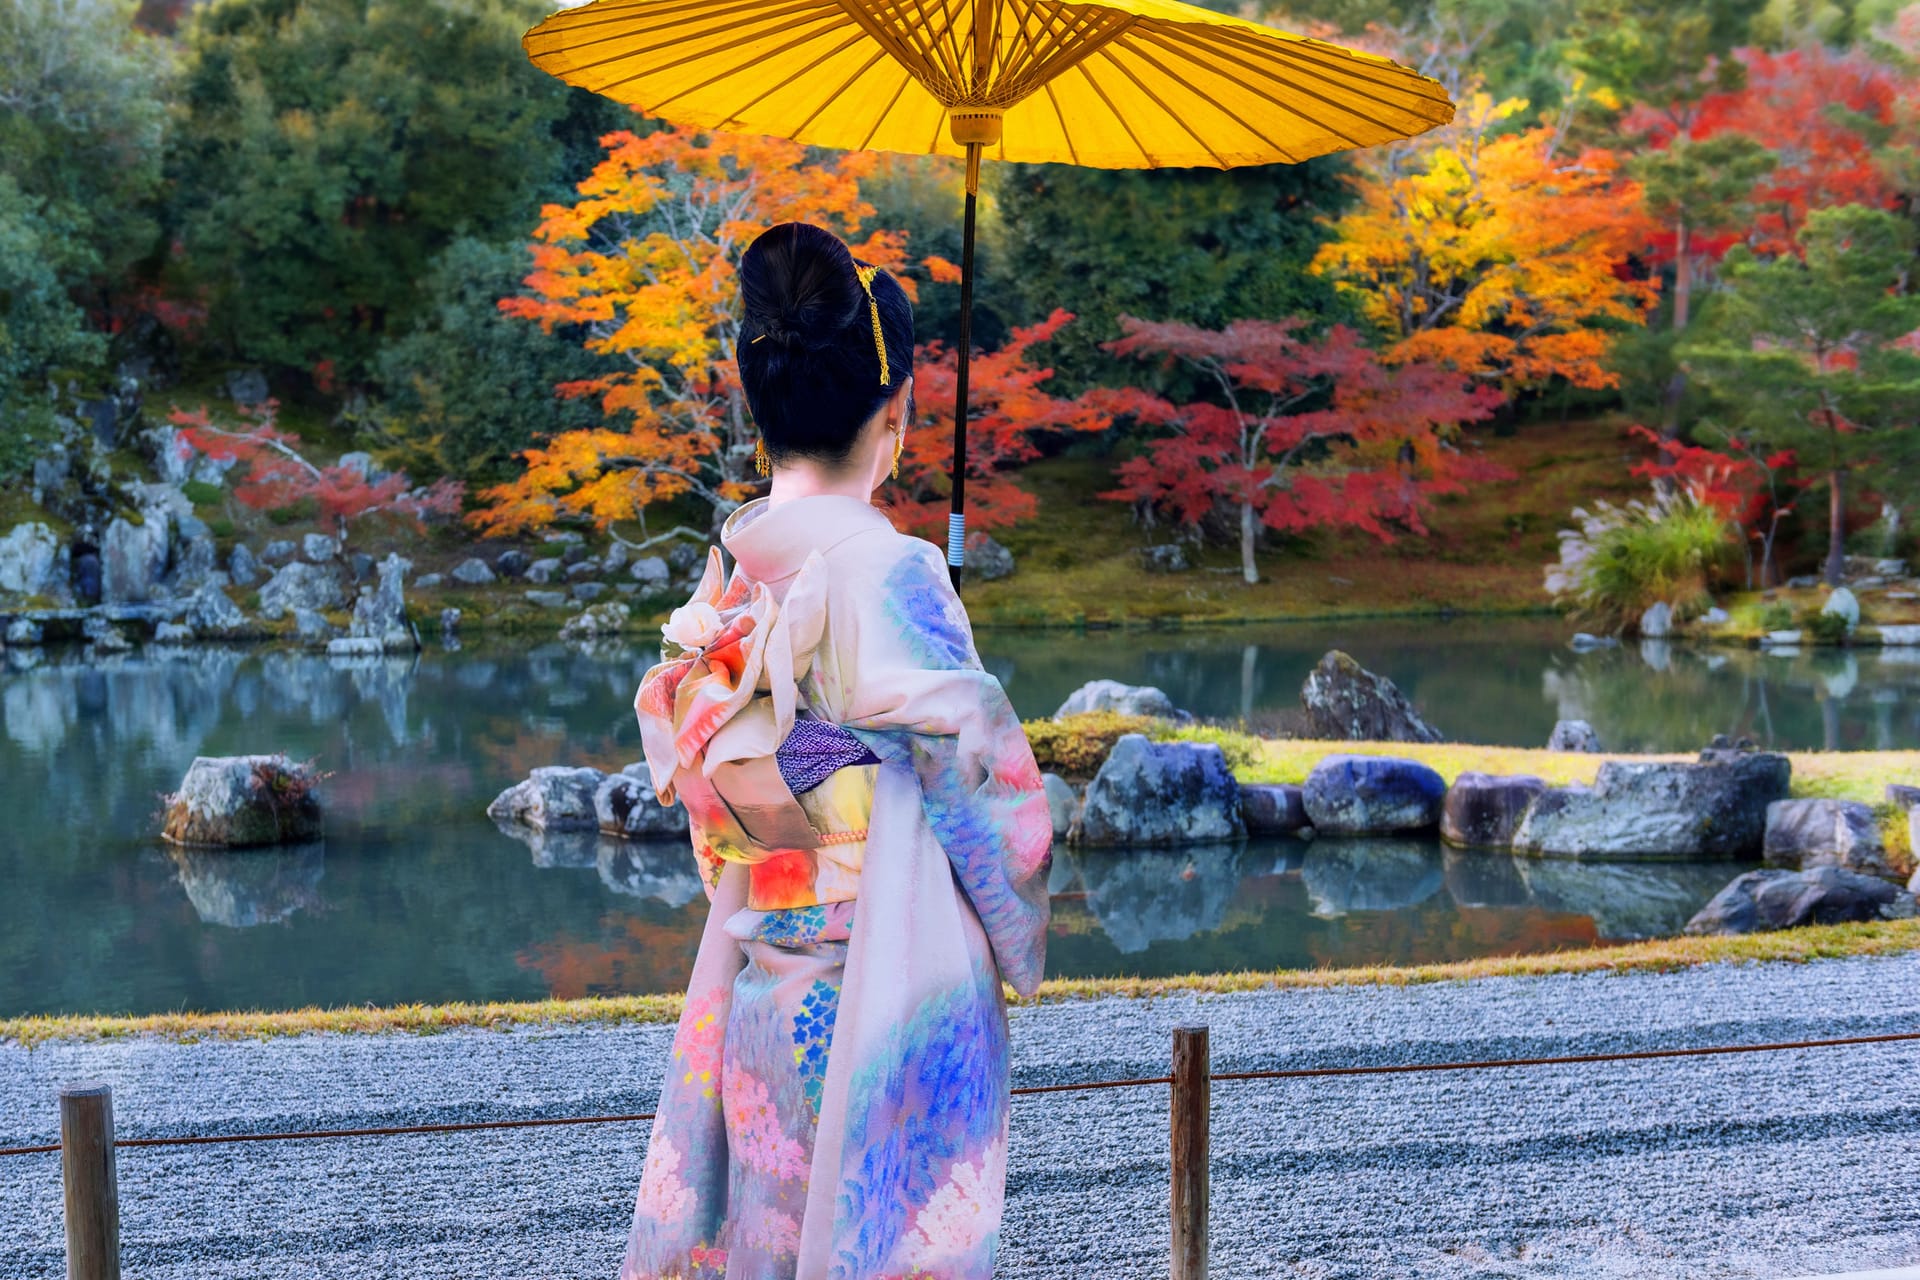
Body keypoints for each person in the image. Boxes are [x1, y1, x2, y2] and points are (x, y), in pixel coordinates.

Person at [621, 221, 1052, 1280]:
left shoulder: (733, 574)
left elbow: (723, 796)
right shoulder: (893, 573)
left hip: (765, 988)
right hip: (882, 1000)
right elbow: (995, 806)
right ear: (898, 411)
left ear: (759, 407)